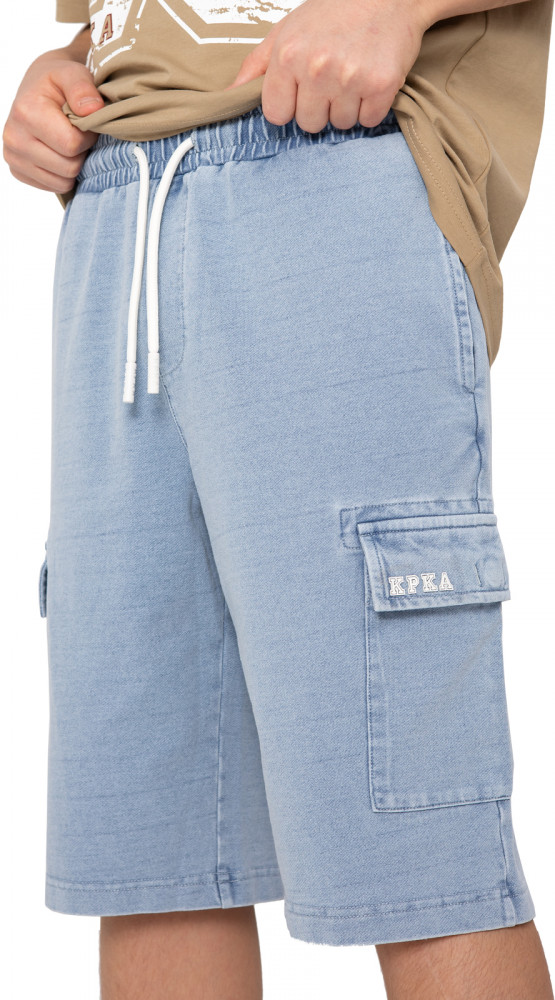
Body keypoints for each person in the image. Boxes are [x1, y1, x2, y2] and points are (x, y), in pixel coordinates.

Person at [3, 1, 554, 997]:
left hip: (330, 164)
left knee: (418, 859)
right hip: (115, 221)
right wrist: (72, 62)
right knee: (155, 856)